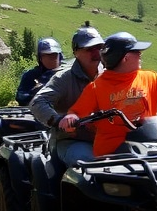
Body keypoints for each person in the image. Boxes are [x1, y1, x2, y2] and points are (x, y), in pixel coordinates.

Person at [29, 24, 106, 166]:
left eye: (99, 47)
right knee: (90, 165)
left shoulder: (109, 74)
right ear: (76, 52)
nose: (96, 53)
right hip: (73, 140)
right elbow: (37, 102)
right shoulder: (64, 77)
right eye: (90, 49)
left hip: (107, 138)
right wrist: (59, 121)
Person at [15, 37, 63, 106]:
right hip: (35, 112)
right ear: (40, 58)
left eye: (55, 55)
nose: (52, 59)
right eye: (48, 55)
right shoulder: (30, 75)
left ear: (60, 56)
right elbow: (20, 97)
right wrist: (36, 92)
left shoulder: (67, 74)